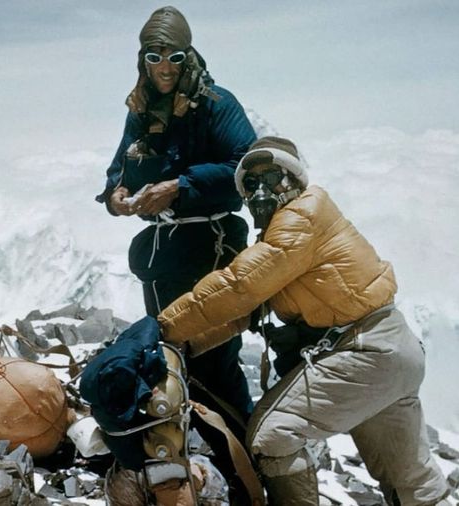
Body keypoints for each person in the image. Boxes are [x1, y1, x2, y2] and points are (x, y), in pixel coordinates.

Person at [158, 137, 450, 505]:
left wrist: (162, 327)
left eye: (273, 177)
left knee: (272, 436)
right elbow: (243, 310)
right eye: (251, 182)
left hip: (365, 352)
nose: (262, 190)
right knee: (412, 481)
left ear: (296, 181)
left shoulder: (301, 218)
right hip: (393, 352)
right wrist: (185, 343)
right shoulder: (292, 231)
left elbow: (239, 287)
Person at [95, 5, 256, 493]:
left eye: (174, 56)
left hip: (210, 252)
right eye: (154, 56)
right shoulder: (140, 106)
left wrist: (180, 187)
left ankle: (248, 470)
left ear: (189, 58)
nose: (164, 66)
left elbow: (243, 169)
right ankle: (184, 478)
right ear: (142, 59)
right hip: (164, 260)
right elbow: (120, 166)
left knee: (214, 365)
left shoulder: (216, 104)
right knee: (168, 362)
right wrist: (116, 196)